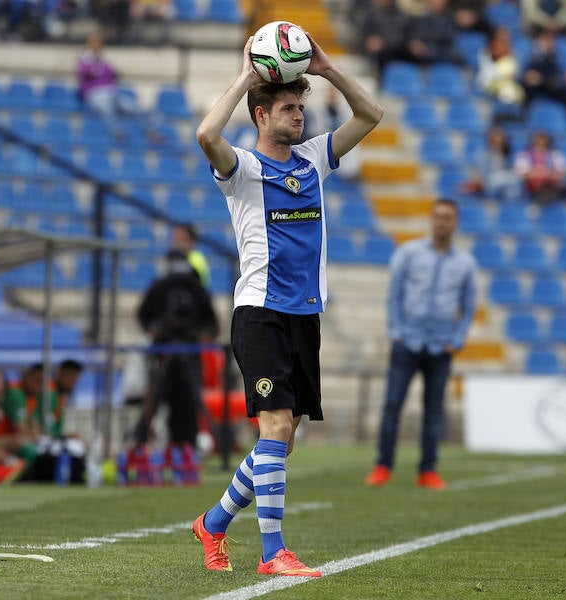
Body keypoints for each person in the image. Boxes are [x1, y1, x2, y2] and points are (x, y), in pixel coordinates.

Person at [192, 32, 382, 576]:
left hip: (305, 315)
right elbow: (206, 133)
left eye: (301, 107)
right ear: (260, 113)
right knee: (273, 430)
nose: (300, 115)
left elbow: (371, 114)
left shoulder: (314, 158)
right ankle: (273, 552)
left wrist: (327, 70)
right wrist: (246, 77)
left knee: (283, 442)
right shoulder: (243, 170)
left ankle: (213, 523)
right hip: (259, 312)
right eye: (288, 108)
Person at [365, 199, 477, 490]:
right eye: (438, 216)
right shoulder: (409, 253)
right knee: (392, 406)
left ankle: (428, 469)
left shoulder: (465, 263)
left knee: (434, 410)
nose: (442, 222)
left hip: (441, 347)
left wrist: (459, 337)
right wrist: (395, 331)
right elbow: (394, 296)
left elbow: (468, 305)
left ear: (455, 222)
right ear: (431, 219)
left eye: (448, 217)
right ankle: (383, 466)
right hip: (407, 342)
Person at [136, 250, 218, 453]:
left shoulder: (197, 290)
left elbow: (212, 324)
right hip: (164, 354)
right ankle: (139, 444)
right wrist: (154, 328)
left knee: (189, 404)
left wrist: (201, 335)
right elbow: (144, 315)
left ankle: (186, 449)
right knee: (154, 400)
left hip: (190, 356)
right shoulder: (160, 288)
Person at [460, 125, 521, 201]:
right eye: (495, 137)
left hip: (505, 184)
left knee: (514, 181)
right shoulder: (483, 154)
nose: (498, 140)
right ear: (490, 139)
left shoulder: (508, 154)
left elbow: (514, 169)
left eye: (500, 137)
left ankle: (511, 204)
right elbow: (480, 174)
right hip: (488, 182)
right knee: (510, 178)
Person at [513, 130, 566, 203]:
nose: (541, 145)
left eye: (543, 143)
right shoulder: (524, 155)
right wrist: (539, 173)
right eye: (538, 143)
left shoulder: (556, 154)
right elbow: (521, 173)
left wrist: (546, 173)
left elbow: (562, 172)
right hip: (531, 187)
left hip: (551, 184)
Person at [521, 29, 566, 106]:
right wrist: (527, 77)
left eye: (551, 41)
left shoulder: (558, 60)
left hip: (554, 100)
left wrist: (540, 80)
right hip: (533, 100)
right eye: (545, 40)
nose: (548, 44)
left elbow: (560, 82)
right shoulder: (532, 59)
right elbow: (524, 77)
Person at [170, 223, 211, 289]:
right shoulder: (172, 256)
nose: (177, 242)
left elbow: (201, 283)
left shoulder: (197, 258)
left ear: (191, 241)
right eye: (175, 238)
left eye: (181, 239)